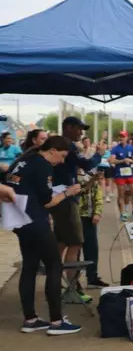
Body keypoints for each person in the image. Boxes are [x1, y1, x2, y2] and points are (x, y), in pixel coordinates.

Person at [8, 135, 83, 335]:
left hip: (19, 220)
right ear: (52, 151)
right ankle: (57, 321)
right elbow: (47, 201)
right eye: (62, 155)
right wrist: (69, 192)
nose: (63, 161)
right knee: (54, 265)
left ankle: (30, 318)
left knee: (30, 267)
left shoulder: (23, 161)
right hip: (35, 220)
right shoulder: (43, 166)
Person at [51, 117, 102, 296]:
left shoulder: (64, 144)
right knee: (75, 243)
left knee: (62, 242)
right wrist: (99, 154)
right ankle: (71, 288)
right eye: (79, 129)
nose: (81, 133)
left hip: (63, 196)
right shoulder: (67, 145)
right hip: (65, 198)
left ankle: (56, 282)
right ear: (68, 127)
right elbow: (86, 163)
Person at [78, 164, 108, 288]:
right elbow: (81, 188)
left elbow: (98, 196)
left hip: (89, 218)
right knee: (75, 250)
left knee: (92, 249)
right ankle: (74, 281)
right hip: (75, 218)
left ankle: (92, 277)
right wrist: (92, 178)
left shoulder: (90, 178)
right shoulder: (70, 177)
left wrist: (97, 213)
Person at [110, 131, 133, 221]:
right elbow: (112, 160)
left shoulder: (131, 148)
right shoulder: (115, 148)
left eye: (123, 136)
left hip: (129, 174)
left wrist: (130, 161)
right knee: (121, 194)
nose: (121, 138)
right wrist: (123, 160)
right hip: (119, 174)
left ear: (127, 138)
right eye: (120, 136)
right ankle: (122, 213)